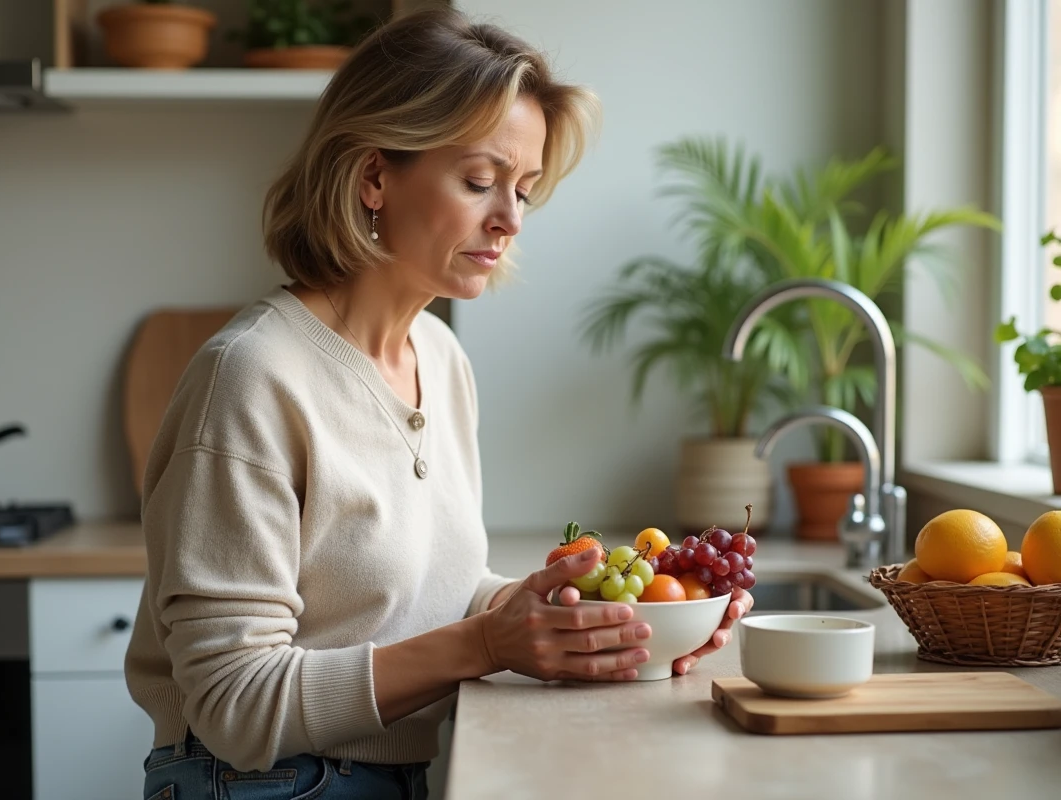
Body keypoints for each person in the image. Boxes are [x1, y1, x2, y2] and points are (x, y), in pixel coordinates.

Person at [125, 7, 753, 799]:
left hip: (392, 775)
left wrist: (601, 627)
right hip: (256, 784)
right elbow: (234, 705)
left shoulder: (441, 359)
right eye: (480, 181)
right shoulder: (252, 377)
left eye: (524, 190)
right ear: (374, 176)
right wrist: (489, 642)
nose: (511, 219)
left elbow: (428, 604)